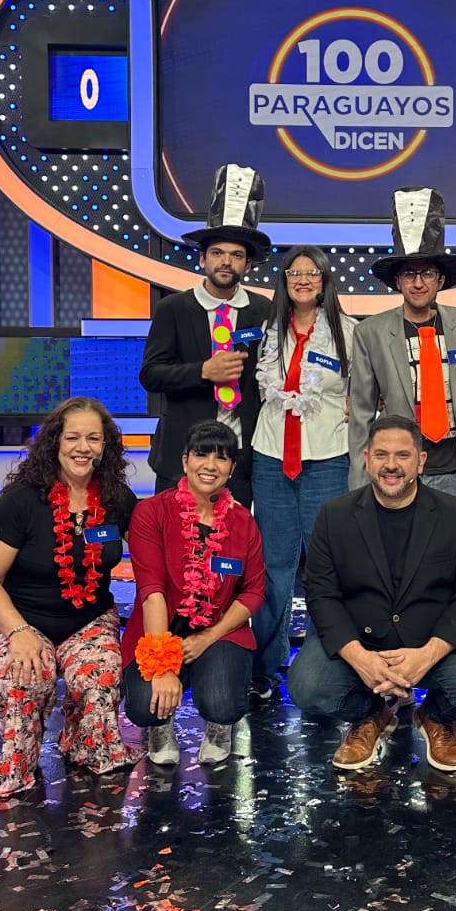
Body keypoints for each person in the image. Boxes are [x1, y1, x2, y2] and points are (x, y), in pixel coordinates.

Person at [289, 414, 456, 774]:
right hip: (363, 643)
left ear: (421, 461)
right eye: (381, 455)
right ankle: (372, 715)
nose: (391, 465)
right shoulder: (334, 515)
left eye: (403, 455)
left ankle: (435, 716)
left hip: (432, 644)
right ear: (366, 459)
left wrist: (427, 655)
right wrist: (360, 658)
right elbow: (321, 594)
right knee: (306, 686)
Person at [0, 397, 142, 799]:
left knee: (100, 679)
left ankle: (81, 740)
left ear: (105, 446)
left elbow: (155, 543)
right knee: (27, 678)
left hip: (89, 620)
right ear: (55, 442)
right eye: (73, 437)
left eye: (93, 438)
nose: (83, 447)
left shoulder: (116, 498)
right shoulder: (22, 500)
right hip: (18, 619)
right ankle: (20, 759)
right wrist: (18, 633)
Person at [121, 420, 265, 767]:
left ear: (232, 469)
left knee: (222, 704)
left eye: (222, 457)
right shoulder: (151, 512)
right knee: (143, 706)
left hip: (219, 633)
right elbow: (152, 591)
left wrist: (207, 638)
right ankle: (161, 725)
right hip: (160, 630)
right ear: (185, 461)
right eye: (202, 454)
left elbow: (254, 591)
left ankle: (218, 726)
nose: (210, 465)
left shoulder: (243, 521)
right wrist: (161, 665)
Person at [249, 245, 355, 703]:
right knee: (273, 566)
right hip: (271, 456)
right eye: (295, 272)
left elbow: (365, 392)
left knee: (325, 566)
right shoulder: (265, 331)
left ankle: (320, 662)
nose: (304, 280)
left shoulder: (350, 332)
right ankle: (264, 666)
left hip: (328, 457)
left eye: (313, 272)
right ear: (284, 280)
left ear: (326, 280)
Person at [140, 163, 271, 506]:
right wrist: (203, 371)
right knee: (174, 532)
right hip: (181, 453)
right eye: (217, 253)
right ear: (202, 258)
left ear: (248, 265)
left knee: (233, 534)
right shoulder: (172, 308)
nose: (226, 262)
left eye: (236, 255)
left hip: (240, 456)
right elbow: (151, 375)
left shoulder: (263, 310)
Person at [347, 187, 456, 497]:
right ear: (398, 281)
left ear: (440, 280)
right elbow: (361, 414)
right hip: (397, 470)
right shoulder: (371, 333)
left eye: (427, 273)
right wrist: (361, 481)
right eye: (409, 274)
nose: (418, 283)